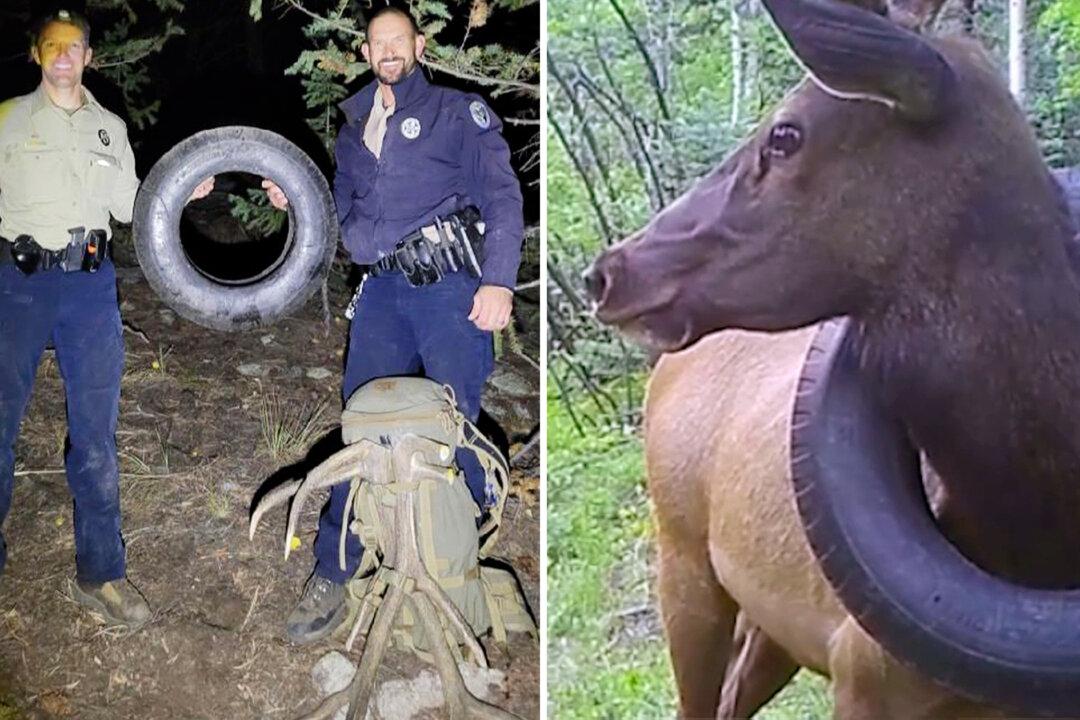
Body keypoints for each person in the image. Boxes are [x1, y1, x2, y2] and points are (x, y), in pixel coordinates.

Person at [285, 3, 524, 643]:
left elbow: (502, 194)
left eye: (398, 40)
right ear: (366, 53)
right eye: (377, 44)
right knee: (360, 422)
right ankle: (337, 567)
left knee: (460, 422)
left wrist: (499, 278)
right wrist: (293, 198)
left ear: (417, 45)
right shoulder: (354, 123)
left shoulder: (455, 112)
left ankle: (459, 563)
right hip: (383, 291)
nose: (388, 51)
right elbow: (335, 211)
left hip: (450, 285)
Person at [0, 9, 219, 627]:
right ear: (37, 54)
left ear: (88, 57)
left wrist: (179, 189)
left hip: (91, 290)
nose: (64, 56)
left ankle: (101, 574)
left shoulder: (110, 129)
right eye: (52, 46)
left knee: (95, 434)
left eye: (74, 47)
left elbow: (131, 206)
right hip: (17, 287)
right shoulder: (8, 121)